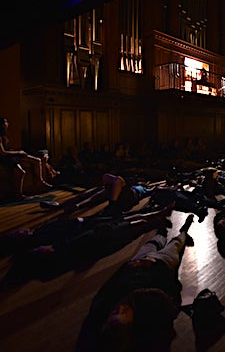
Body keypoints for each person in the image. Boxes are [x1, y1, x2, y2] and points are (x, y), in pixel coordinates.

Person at [79, 214, 196, 352]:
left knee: (152, 244)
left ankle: (162, 231)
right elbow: (174, 290)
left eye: (114, 312)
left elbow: (111, 282)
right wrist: (154, 266)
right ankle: (184, 230)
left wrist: (129, 265)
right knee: (175, 244)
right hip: (160, 264)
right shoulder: (152, 313)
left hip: (136, 264)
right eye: (122, 313)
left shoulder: (101, 310)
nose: (121, 307)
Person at [7, 203, 175, 265]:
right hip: (89, 231)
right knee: (128, 225)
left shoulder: (40, 232)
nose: (21, 230)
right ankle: (155, 220)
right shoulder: (42, 238)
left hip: (86, 223)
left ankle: (158, 214)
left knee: (126, 218)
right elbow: (65, 241)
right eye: (18, 233)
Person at [0, 117, 52, 200]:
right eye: (5, 122)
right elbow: (2, 152)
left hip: (10, 155)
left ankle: (40, 181)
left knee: (37, 160)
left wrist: (17, 151)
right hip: (4, 158)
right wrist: (18, 152)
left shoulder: (4, 136)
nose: (7, 124)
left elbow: (7, 149)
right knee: (21, 171)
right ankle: (18, 195)